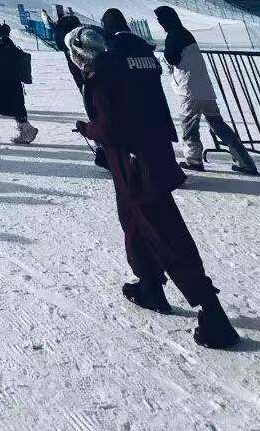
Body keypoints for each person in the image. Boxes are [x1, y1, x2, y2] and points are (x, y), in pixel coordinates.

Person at [67, 24, 240, 349]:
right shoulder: (124, 62)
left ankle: (213, 313)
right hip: (136, 160)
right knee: (133, 224)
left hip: (136, 163)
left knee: (165, 232)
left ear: (80, 53)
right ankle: (149, 284)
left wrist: (89, 129)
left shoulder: (104, 75)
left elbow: (113, 126)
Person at [153, 6, 258, 175]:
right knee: (219, 126)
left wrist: (163, 54)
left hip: (188, 90)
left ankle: (194, 161)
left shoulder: (173, 36)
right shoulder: (186, 34)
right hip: (205, 90)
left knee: (189, 127)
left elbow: (172, 59)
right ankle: (246, 162)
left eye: (161, 21)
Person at [0, 23, 37, 144]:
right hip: (9, 80)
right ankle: (25, 131)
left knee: (15, 106)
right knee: (14, 107)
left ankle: (28, 130)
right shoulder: (0, 41)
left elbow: (3, 60)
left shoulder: (4, 41)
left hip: (11, 80)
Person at [52, 10, 85, 94]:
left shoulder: (60, 25)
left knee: (82, 85)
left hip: (71, 55)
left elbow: (59, 45)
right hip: (81, 53)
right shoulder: (73, 22)